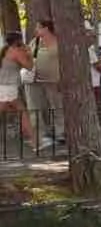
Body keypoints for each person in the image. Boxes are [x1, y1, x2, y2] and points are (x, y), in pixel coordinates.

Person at [28, 20, 61, 149]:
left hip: (54, 81)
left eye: (38, 27)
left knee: (56, 107)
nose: (36, 30)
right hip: (35, 81)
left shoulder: (59, 41)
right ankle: (42, 134)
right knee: (37, 108)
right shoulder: (35, 42)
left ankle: (60, 133)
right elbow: (28, 56)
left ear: (46, 28)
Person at [0, 32, 36, 145]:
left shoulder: (5, 51)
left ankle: (32, 138)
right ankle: (34, 139)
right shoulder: (16, 52)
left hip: (4, 86)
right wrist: (29, 54)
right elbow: (29, 66)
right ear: (18, 41)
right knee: (22, 112)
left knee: (20, 111)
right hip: (9, 87)